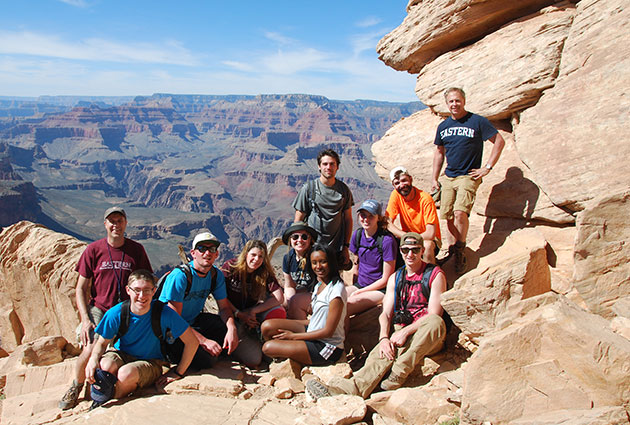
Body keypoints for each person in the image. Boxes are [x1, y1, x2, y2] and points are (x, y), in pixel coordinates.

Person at [306, 233, 446, 400]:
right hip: (401, 326)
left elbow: (434, 314)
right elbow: (386, 313)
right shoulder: (397, 277)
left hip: (425, 333)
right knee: (381, 353)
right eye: (406, 250)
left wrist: (405, 332)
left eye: (415, 250)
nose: (410, 254)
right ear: (400, 251)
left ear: (422, 250)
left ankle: (398, 372)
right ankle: (345, 390)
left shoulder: (435, 275)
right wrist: (384, 338)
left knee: (435, 322)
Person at [59, 206, 152, 410]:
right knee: (91, 346)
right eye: (112, 221)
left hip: (127, 310)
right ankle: (76, 385)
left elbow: (146, 281)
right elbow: (81, 288)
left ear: (125, 224)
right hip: (100, 309)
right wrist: (85, 320)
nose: (116, 225)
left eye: (120, 221)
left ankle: (106, 388)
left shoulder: (136, 250)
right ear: (105, 224)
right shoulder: (93, 250)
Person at [85, 270, 198, 408]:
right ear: (128, 290)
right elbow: (102, 343)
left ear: (154, 291)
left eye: (147, 290)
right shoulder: (116, 313)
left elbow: (192, 342)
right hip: (123, 354)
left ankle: (109, 400)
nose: (142, 296)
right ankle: (103, 396)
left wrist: (178, 372)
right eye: (137, 290)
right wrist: (93, 359)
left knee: (125, 374)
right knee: (106, 365)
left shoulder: (164, 313)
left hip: (152, 361)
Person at [431, 87, 505, 273]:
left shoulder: (477, 121)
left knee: (459, 213)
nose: (454, 104)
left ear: (464, 101)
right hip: (449, 176)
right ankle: (453, 249)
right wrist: (434, 177)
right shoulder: (444, 126)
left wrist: (487, 167)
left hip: (468, 175)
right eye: (451, 102)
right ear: (447, 104)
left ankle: (460, 250)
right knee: (446, 215)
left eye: (457, 100)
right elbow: (439, 153)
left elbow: (499, 141)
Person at [158, 231, 239, 369]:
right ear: (193, 253)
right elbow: (174, 319)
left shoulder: (215, 275)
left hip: (193, 321)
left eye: (212, 249)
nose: (207, 253)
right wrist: (203, 341)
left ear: (216, 254)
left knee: (226, 330)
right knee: (206, 360)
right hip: (171, 330)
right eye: (202, 249)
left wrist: (232, 328)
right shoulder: (180, 277)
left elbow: (224, 308)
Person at [261, 243, 347, 365]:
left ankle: (283, 355)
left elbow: (328, 332)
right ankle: (282, 354)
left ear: (331, 263)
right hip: (312, 329)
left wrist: (293, 337)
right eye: (314, 262)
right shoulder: (319, 285)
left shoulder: (336, 291)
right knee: (267, 326)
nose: (318, 267)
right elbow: (317, 320)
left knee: (267, 348)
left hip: (326, 346)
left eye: (323, 261)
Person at [222, 240, 286, 368]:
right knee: (254, 359)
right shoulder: (231, 267)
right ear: (246, 254)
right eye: (253, 255)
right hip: (231, 315)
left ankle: (265, 340)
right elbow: (221, 298)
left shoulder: (263, 272)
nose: (256, 259)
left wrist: (254, 311)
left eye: (261, 256)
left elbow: (279, 297)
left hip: (251, 314)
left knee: (278, 310)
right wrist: (239, 314)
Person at [292, 148, 354, 269]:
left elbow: (348, 219)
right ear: (319, 167)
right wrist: (299, 247)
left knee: (332, 283)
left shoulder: (343, 190)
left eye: (332, 164)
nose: (328, 167)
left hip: (335, 249)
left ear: (337, 167)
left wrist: (346, 247)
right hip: (312, 247)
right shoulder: (309, 188)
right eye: (325, 164)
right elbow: (298, 219)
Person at [347, 200, 397, 316]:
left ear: (378, 218)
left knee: (346, 305)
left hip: (379, 290)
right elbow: (356, 265)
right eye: (363, 215)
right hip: (360, 285)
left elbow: (386, 279)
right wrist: (355, 287)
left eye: (371, 216)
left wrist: (360, 292)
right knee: (333, 299)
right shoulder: (358, 235)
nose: (366, 219)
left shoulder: (386, 241)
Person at [386, 167, 441, 264]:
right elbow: (387, 222)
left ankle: (429, 276)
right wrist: (406, 237)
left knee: (427, 246)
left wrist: (409, 239)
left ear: (410, 179)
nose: (402, 185)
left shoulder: (425, 199)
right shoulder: (396, 195)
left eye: (404, 181)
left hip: (428, 239)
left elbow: (430, 233)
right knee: (387, 241)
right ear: (393, 186)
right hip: (407, 237)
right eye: (397, 183)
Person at [281, 221, 318, 320]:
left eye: (304, 237)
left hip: (317, 294)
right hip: (300, 293)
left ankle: (302, 331)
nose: (300, 240)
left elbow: (324, 284)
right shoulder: (288, 258)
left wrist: (294, 301)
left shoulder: (316, 256)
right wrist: (290, 300)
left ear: (310, 239)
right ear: (290, 239)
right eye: (295, 237)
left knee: (296, 302)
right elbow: (289, 286)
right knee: (278, 302)